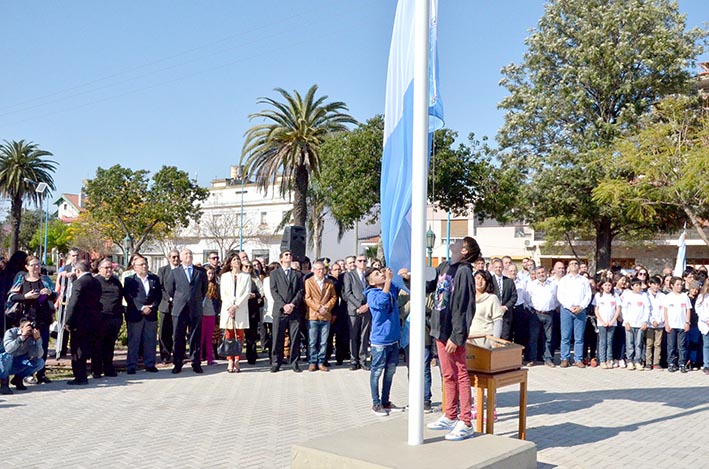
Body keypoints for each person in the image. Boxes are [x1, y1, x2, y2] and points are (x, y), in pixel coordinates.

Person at [426, 237, 479, 442]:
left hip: (452, 333)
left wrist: (457, 336)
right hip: (439, 328)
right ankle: (450, 414)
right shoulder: (444, 266)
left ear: (465, 251)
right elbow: (430, 287)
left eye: (459, 242)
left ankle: (465, 421)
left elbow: (465, 306)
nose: (454, 242)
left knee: (460, 374)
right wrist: (408, 279)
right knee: (447, 375)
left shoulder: (464, 271)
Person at [6, 255, 56, 384]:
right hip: (25, 318)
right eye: (33, 265)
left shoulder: (45, 280)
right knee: (26, 348)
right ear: (27, 267)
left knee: (42, 345)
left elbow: (55, 296)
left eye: (38, 264)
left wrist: (50, 294)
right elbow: (12, 297)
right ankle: (24, 375)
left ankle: (41, 373)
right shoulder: (21, 280)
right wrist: (26, 296)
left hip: (43, 318)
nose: (36, 267)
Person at [365, 266, 403, 416]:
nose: (381, 275)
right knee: (377, 371)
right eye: (377, 274)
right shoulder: (371, 294)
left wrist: (399, 275)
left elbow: (398, 284)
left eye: (381, 273)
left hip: (393, 338)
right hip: (380, 340)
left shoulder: (390, 287)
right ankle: (376, 402)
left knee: (390, 372)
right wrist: (387, 280)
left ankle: (386, 401)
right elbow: (381, 302)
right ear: (372, 282)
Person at [165, 248, 208, 374]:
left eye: (190, 253)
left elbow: (204, 289)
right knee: (178, 336)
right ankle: (177, 363)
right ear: (181, 257)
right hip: (180, 308)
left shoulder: (199, 272)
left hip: (195, 308)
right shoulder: (175, 272)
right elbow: (170, 289)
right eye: (186, 254)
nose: (188, 255)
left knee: (195, 336)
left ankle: (196, 362)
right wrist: (181, 298)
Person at [469, 269, 504, 421]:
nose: (479, 281)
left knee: (487, 378)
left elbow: (498, 320)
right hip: (470, 341)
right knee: (472, 378)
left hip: (485, 341)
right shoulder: (468, 297)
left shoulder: (492, 298)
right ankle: (475, 407)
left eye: (482, 279)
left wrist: (495, 341)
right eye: (477, 278)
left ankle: (491, 408)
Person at [64, 261, 101, 385]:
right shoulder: (96, 282)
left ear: (78, 271)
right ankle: (84, 373)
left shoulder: (79, 282)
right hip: (93, 320)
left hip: (79, 322)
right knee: (87, 348)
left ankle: (80, 376)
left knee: (77, 349)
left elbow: (73, 303)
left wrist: (67, 320)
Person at [124, 254, 162, 374]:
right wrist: (141, 308)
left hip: (151, 314)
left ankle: (150, 363)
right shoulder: (130, 280)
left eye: (145, 264)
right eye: (141, 265)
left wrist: (153, 307)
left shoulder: (154, 279)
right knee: (134, 341)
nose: (144, 266)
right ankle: (131, 365)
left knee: (150, 340)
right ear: (134, 267)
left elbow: (158, 296)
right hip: (136, 314)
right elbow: (129, 297)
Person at [269, 250, 305, 373]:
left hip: (294, 311)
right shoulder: (274, 274)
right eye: (286, 255)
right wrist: (284, 306)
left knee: (294, 338)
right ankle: (276, 362)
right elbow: (274, 291)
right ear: (281, 259)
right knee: (277, 337)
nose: (289, 256)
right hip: (280, 311)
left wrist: (292, 304)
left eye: (290, 254)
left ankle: (294, 362)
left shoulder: (298, 274)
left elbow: (300, 291)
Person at [556, 260, 592, 368]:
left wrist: (581, 307)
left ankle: (578, 359)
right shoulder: (564, 280)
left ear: (579, 267)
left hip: (580, 311)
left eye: (576, 264)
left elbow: (588, 295)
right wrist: (569, 307)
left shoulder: (584, 280)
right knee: (565, 336)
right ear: (568, 267)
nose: (574, 266)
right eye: (571, 264)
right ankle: (565, 358)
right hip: (567, 310)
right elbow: (560, 295)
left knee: (579, 337)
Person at [219, 253, 251, 373]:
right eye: (234, 259)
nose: (236, 261)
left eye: (238, 259)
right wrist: (230, 307)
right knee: (229, 335)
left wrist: (236, 305)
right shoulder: (225, 276)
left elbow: (246, 293)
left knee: (239, 335)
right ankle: (230, 360)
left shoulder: (246, 276)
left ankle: (237, 359)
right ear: (230, 263)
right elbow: (223, 294)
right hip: (228, 309)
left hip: (240, 308)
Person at [93, 258, 125, 378]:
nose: (109, 270)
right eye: (106, 268)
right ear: (100, 269)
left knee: (110, 345)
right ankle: (96, 369)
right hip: (100, 318)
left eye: (111, 268)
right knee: (98, 344)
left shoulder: (116, 282)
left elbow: (121, 296)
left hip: (115, 317)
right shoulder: (95, 281)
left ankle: (108, 367)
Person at [304, 261, 337, 372]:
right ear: (313, 270)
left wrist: (327, 307)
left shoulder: (329, 282)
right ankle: (312, 362)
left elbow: (333, 297)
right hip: (313, 315)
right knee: (312, 341)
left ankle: (321, 362)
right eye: (318, 269)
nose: (320, 271)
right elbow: (307, 298)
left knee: (324, 341)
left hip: (325, 315)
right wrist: (318, 308)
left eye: (322, 269)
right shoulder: (308, 282)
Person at [1, 318, 45, 392]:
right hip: (2, 363)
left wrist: (38, 340)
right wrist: (22, 337)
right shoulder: (11, 332)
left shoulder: (33, 336)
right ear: (21, 327)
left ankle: (18, 379)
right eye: (28, 326)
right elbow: (8, 349)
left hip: (16, 362)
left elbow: (38, 355)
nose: (31, 328)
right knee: (7, 356)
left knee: (40, 362)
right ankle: (4, 383)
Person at [343, 254, 371, 370]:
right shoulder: (349, 275)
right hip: (354, 310)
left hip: (367, 310)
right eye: (360, 261)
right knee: (353, 336)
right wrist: (359, 305)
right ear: (356, 262)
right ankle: (354, 360)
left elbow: (373, 290)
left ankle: (363, 360)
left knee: (364, 336)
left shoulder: (369, 275)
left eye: (365, 261)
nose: (362, 263)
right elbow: (348, 293)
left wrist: (367, 306)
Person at [525, 266, 558, 367]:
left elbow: (557, 298)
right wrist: (533, 308)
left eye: (542, 272)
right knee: (533, 337)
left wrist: (554, 307)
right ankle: (533, 359)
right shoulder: (532, 285)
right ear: (535, 274)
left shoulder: (553, 285)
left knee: (549, 338)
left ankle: (548, 359)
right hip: (536, 314)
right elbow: (527, 298)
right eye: (538, 273)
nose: (541, 274)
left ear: (546, 272)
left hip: (549, 314)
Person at [621, 278, 650, 371]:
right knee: (630, 343)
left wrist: (645, 321)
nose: (638, 287)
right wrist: (626, 321)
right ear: (632, 286)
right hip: (630, 323)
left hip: (640, 324)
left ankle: (637, 361)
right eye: (636, 285)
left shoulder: (644, 295)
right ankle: (629, 361)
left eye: (639, 285)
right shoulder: (628, 295)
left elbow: (647, 309)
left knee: (639, 343)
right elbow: (624, 309)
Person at [664, 277, 691, 373]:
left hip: (682, 325)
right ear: (672, 285)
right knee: (671, 346)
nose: (680, 286)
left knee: (681, 346)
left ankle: (682, 363)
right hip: (672, 325)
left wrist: (687, 322)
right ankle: (671, 363)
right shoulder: (668, 297)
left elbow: (688, 310)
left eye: (681, 284)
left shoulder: (684, 296)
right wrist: (666, 323)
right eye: (677, 284)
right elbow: (665, 311)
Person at [157, 249, 180, 364]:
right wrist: (169, 299)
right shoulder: (163, 270)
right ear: (169, 258)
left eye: (177, 257)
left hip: (179, 305)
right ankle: (165, 355)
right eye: (173, 257)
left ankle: (178, 354)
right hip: (166, 305)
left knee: (177, 331)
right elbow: (160, 287)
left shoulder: (182, 270)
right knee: (164, 332)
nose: (176, 259)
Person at [595, 278, 621, 369]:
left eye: (609, 285)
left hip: (612, 323)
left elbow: (618, 309)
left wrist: (613, 320)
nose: (607, 287)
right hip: (602, 323)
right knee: (602, 342)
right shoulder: (598, 295)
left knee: (609, 342)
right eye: (605, 285)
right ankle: (602, 360)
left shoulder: (615, 295)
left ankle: (609, 359)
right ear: (602, 286)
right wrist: (602, 321)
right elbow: (596, 310)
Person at [490, 258, 517, 341]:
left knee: (505, 337)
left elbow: (514, 296)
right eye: (496, 267)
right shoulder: (490, 281)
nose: (498, 269)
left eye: (500, 267)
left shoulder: (509, 281)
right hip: (493, 314)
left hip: (506, 313)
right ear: (493, 268)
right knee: (494, 337)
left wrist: (505, 307)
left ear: (503, 267)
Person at [243, 260, 263, 365]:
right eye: (245, 267)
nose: (248, 269)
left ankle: (251, 356)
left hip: (252, 309)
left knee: (252, 334)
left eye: (250, 267)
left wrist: (254, 295)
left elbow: (262, 291)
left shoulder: (255, 278)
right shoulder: (238, 277)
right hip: (241, 308)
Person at [200, 265, 220, 366]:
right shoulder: (200, 285)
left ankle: (210, 358)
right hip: (201, 314)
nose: (211, 275)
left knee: (209, 338)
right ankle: (198, 358)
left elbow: (218, 301)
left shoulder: (216, 286)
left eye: (212, 273)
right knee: (200, 338)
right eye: (209, 273)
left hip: (211, 314)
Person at [645, 276, 666, 370]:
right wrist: (652, 320)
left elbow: (663, 310)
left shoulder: (663, 296)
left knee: (658, 344)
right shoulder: (646, 295)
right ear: (650, 284)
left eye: (658, 284)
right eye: (654, 284)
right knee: (649, 343)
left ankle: (656, 362)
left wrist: (659, 321)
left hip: (660, 324)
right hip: (649, 323)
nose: (656, 286)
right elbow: (646, 310)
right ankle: (648, 362)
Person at [260, 262, 279, 362]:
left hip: (282, 310)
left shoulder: (281, 279)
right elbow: (269, 295)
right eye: (273, 268)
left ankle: (278, 355)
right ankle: (272, 356)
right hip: (271, 310)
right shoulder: (267, 280)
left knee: (279, 335)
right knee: (273, 334)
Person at [695, 281, 709, 375]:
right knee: (707, 345)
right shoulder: (702, 297)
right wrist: (707, 320)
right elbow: (699, 310)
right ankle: (706, 364)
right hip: (706, 323)